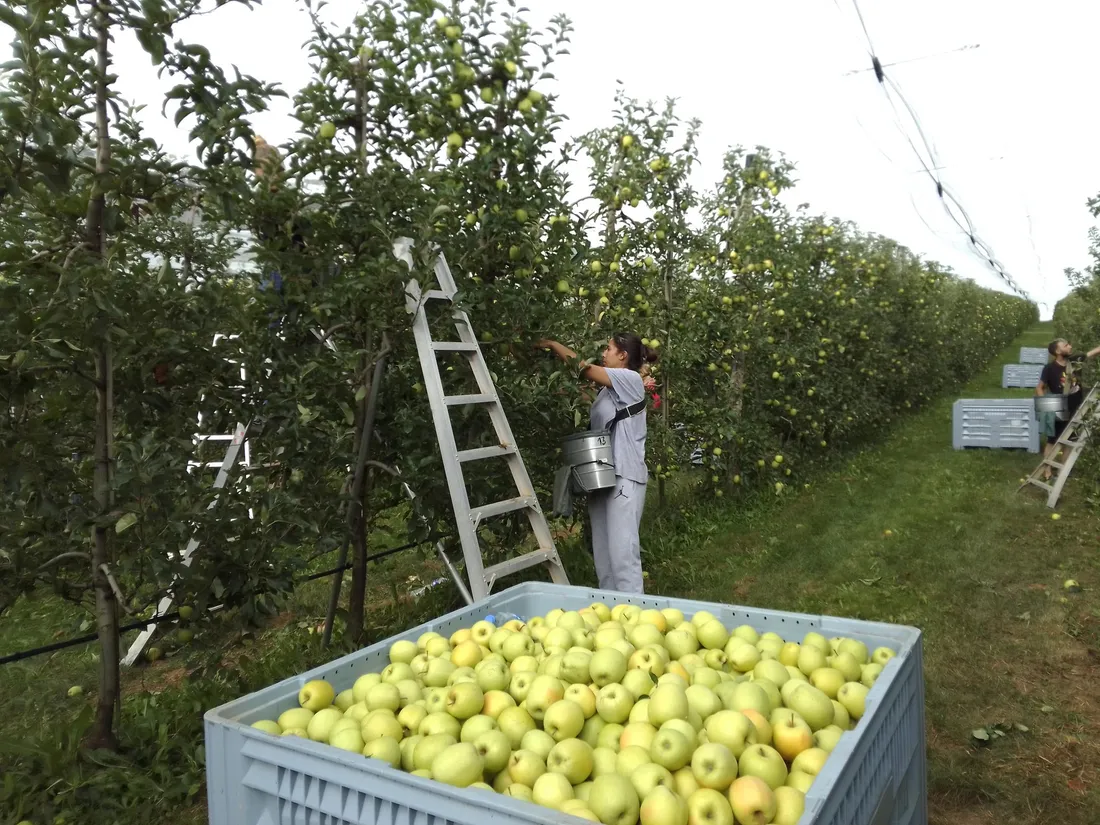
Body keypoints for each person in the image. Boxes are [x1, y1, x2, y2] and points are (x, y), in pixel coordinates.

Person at [536, 333, 658, 593]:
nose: (604, 353)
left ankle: (634, 610)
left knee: (623, 554)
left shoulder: (629, 379)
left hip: (625, 476)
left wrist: (554, 345)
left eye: (609, 349)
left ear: (623, 355)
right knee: (603, 555)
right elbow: (578, 392)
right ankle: (611, 609)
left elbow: (584, 368)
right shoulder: (607, 391)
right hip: (603, 477)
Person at [1036, 338, 1100, 479]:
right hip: (1057, 407)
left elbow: (1094, 352)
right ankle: (1047, 470)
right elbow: (1040, 388)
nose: (1070, 346)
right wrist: (1046, 405)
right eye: (1066, 345)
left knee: (1070, 440)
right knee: (1052, 440)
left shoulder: (1075, 361)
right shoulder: (1049, 368)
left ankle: (1063, 471)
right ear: (1058, 351)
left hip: (1076, 407)